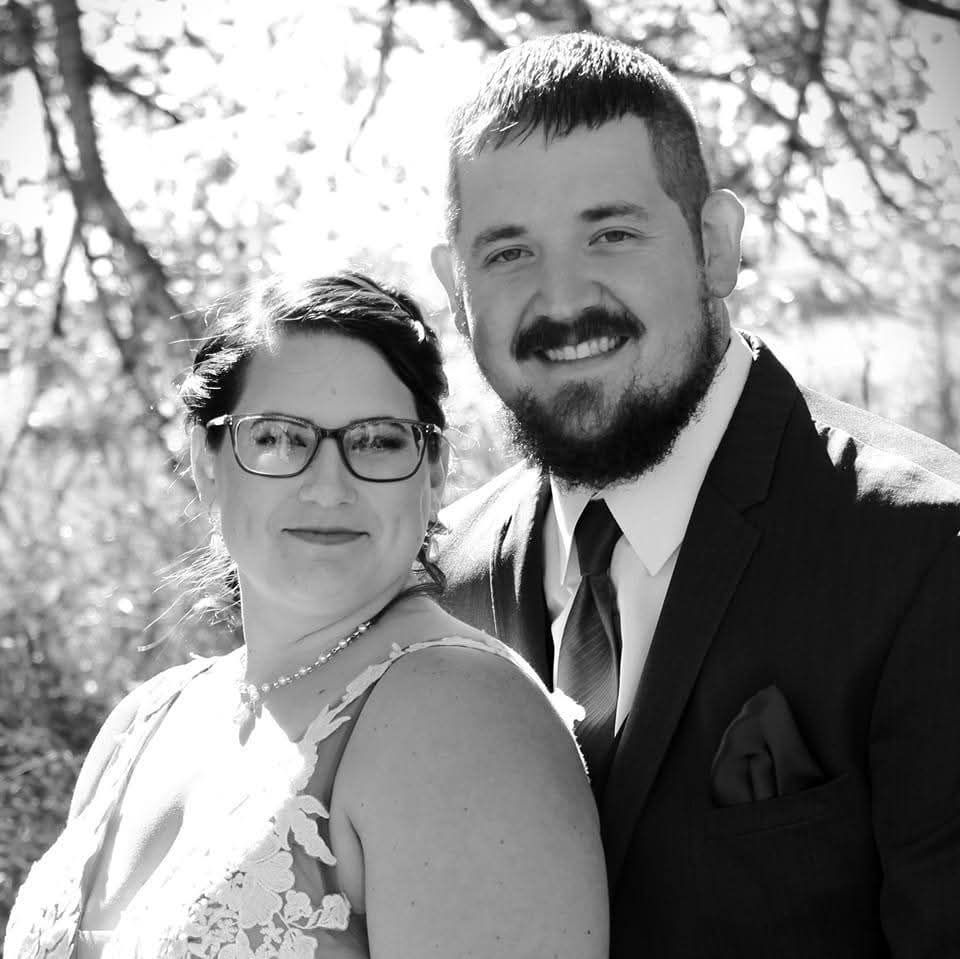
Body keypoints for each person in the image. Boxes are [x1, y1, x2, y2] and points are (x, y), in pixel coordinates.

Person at [430, 31, 960, 958]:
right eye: (508, 253)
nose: (562, 301)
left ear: (715, 246)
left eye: (612, 233)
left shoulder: (922, 552)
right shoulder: (444, 577)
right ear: (455, 286)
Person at [4, 273, 608, 959]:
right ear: (206, 463)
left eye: (378, 440)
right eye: (279, 438)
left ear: (434, 470)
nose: (329, 484)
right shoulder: (139, 723)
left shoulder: (458, 714)